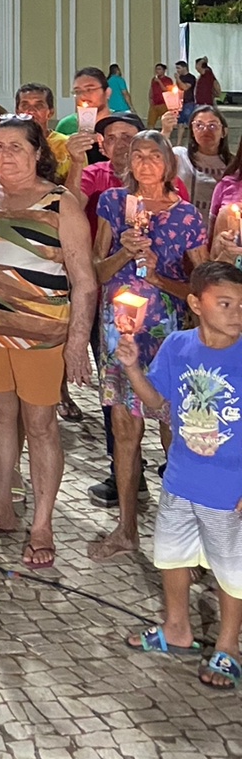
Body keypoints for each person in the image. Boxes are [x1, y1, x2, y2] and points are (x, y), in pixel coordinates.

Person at [0, 116, 96, 569]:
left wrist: (77, 342)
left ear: (39, 153)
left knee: (40, 425)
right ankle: (1, 507)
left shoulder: (61, 203)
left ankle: (41, 524)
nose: (5, 154)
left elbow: (84, 280)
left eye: (16, 146)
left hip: (40, 334)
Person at [117, 261, 242, 688]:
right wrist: (132, 367)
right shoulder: (177, 345)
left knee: (231, 568)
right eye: (224, 303)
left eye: (241, 305)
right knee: (172, 555)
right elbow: (157, 403)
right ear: (196, 304)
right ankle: (176, 628)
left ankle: (228, 646)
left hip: (227, 487)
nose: (236, 313)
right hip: (181, 478)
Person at [87, 130, 206, 561]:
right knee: (124, 429)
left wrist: (157, 276)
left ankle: (183, 535)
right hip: (120, 334)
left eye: (154, 155)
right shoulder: (113, 203)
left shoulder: (186, 216)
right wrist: (123, 252)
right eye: (137, 155)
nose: (145, 162)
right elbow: (95, 271)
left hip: (167, 336)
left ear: (169, 163)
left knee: (173, 429)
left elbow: (200, 288)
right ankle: (126, 529)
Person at [164, 105, 231, 232]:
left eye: (212, 125)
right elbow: (156, 156)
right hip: (182, 230)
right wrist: (166, 131)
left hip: (220, 233)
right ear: (192, 131)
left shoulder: (233, 165)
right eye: (199, 125)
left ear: (224, 131)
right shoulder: (179, 156)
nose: (205, 130)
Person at [53, 68, 112, 172]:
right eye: (77, 91)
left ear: (107, 92)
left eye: (90, 89)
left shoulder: (121, 122)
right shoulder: (66, 124)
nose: (83, 96)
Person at [14, 83, 70, 181]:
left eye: (39, 105)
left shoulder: (66, 145)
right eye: (25, 105)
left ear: (50, 112)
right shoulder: (10, 144)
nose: (31, 111)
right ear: (17, 111)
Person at [147, 63, 169, 129]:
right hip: (154, 104)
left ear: (163, 70)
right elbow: (151, 89)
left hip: (164, 104)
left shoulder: (168, 80)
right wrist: (150, 99)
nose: (157, 71)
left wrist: (159, 82)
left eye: (159, 69)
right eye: (156, 69)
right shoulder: (153, 80)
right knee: (150, 122)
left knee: (165, 122)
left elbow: (165, 90)